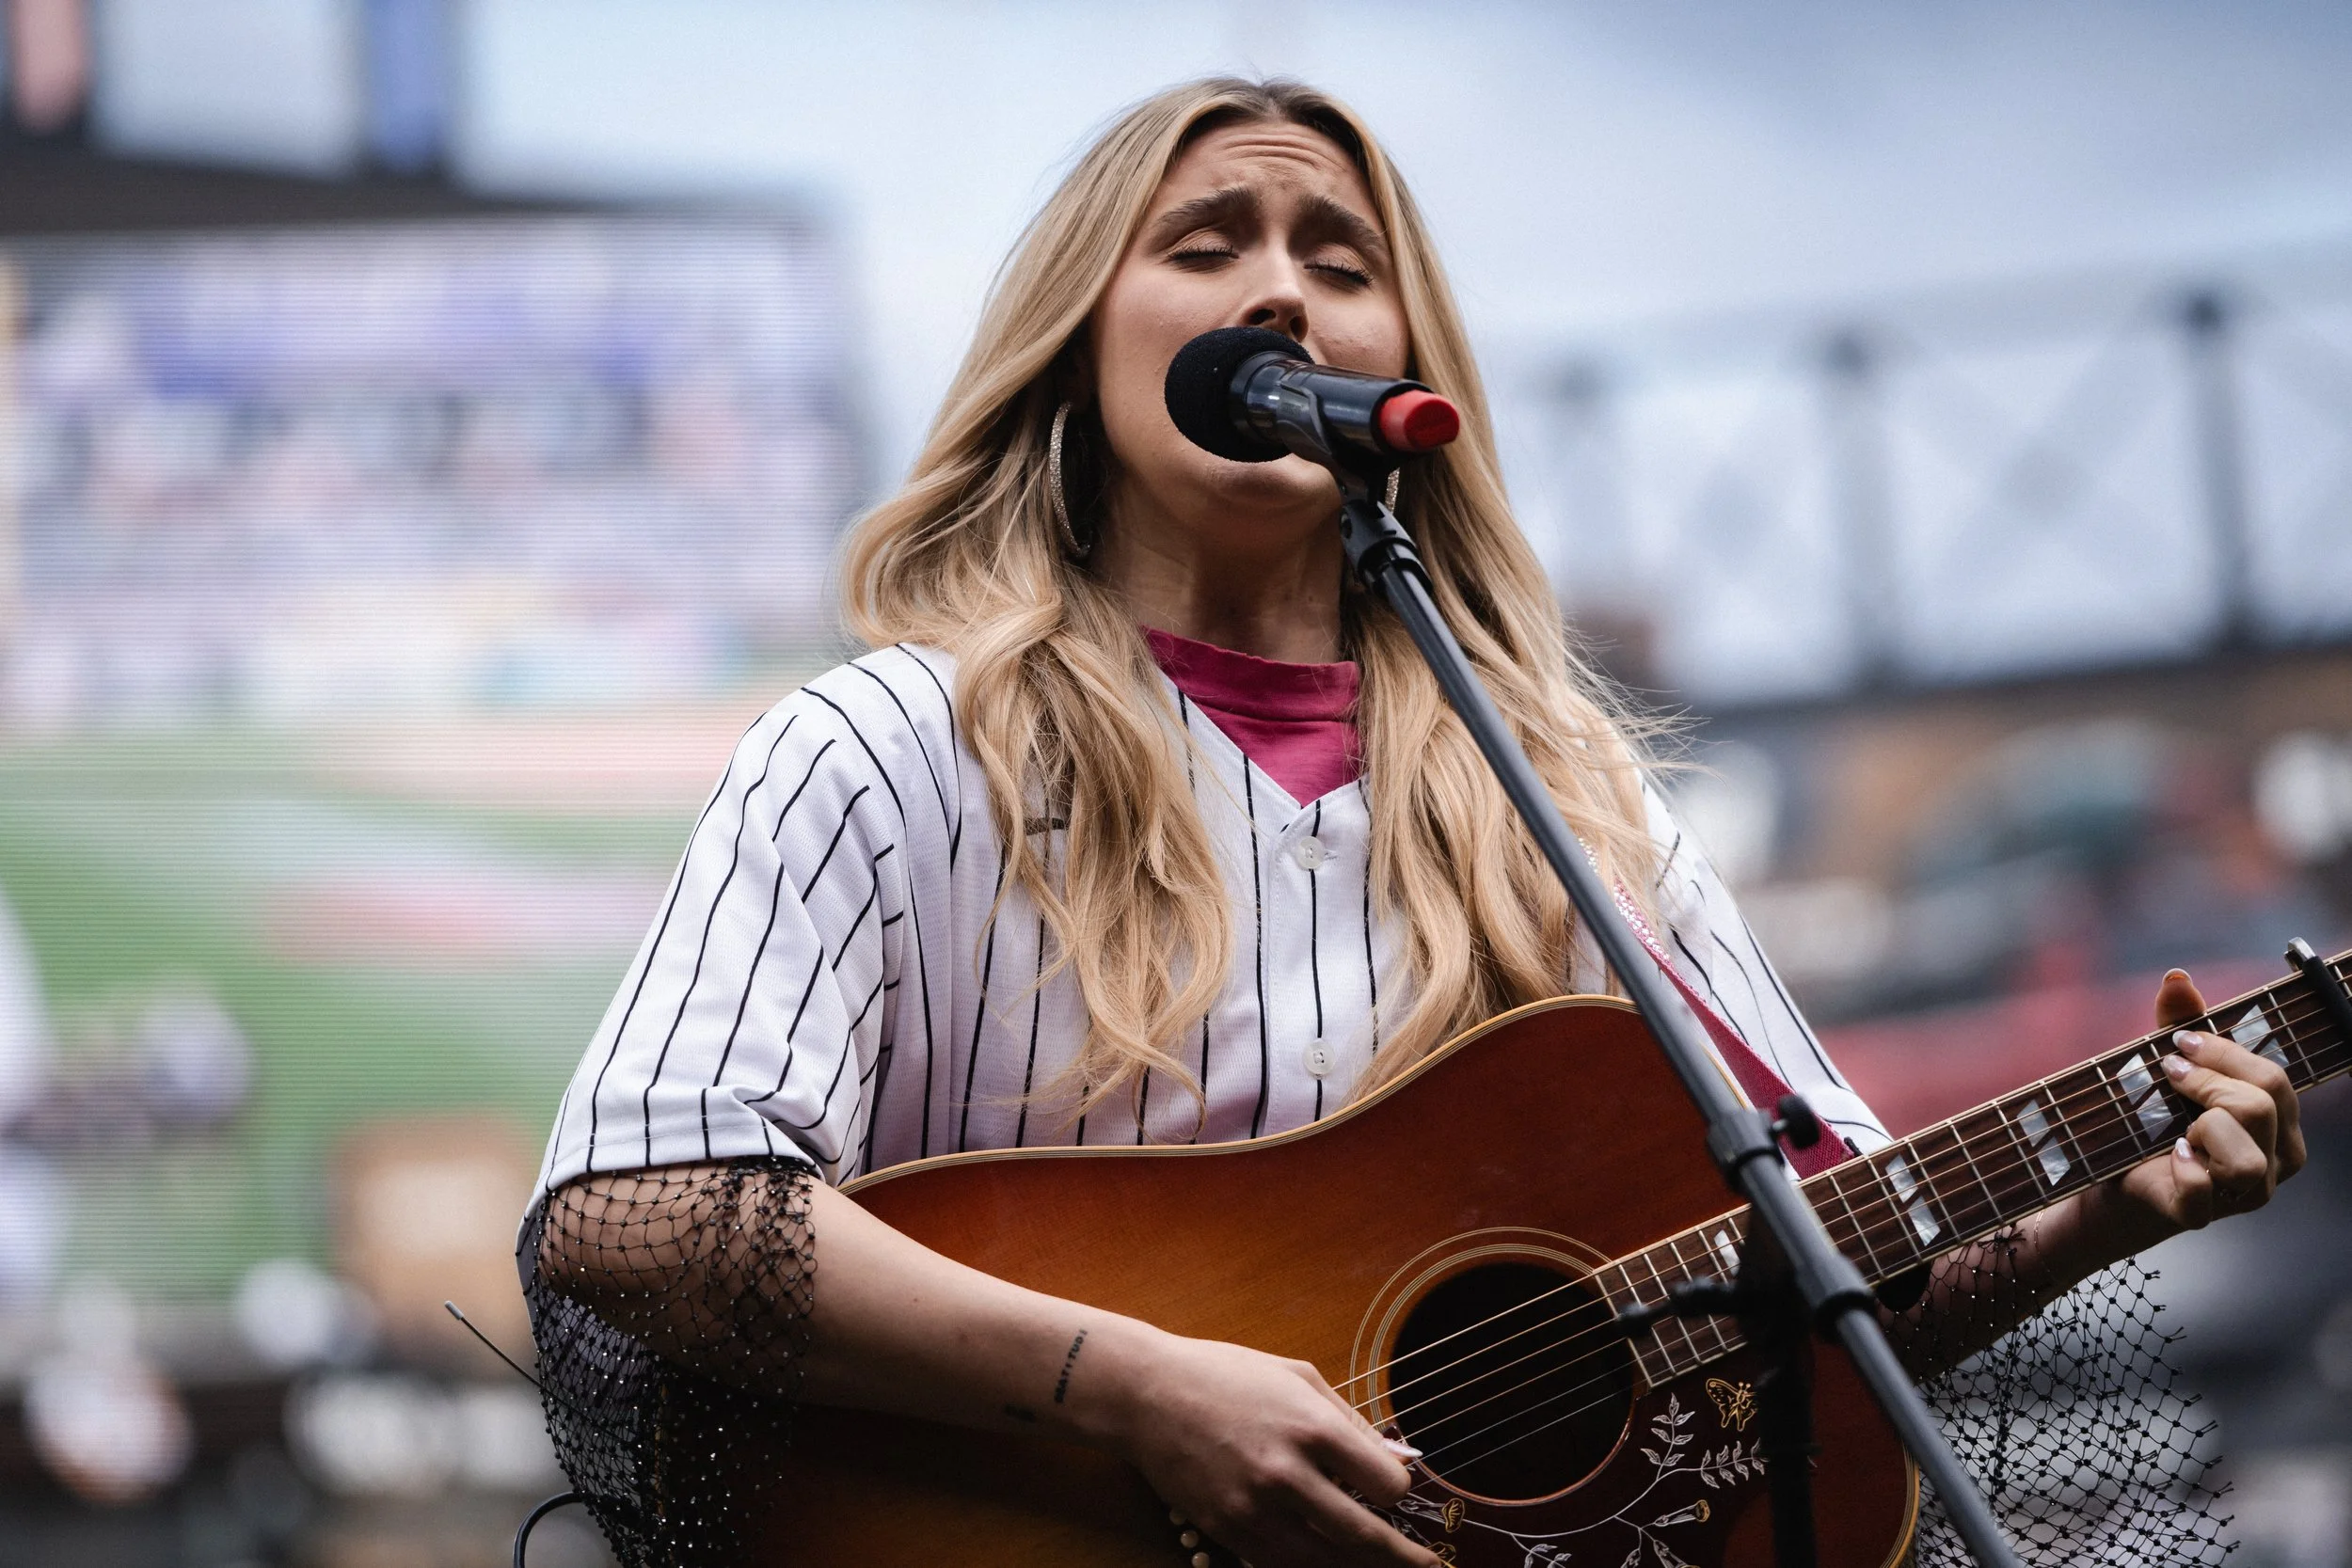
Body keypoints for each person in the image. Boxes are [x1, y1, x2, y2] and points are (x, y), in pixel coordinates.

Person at [524, 77, 2305, 1568]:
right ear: (1081, 351)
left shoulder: (1583, 816)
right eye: (1207, 242)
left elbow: (1819, 1282)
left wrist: (2101, 1208)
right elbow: (638, 1206)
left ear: (1407, 364)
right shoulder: (888, 748)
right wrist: (1139, 1383)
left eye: (1340, 258)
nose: (1281, 293)